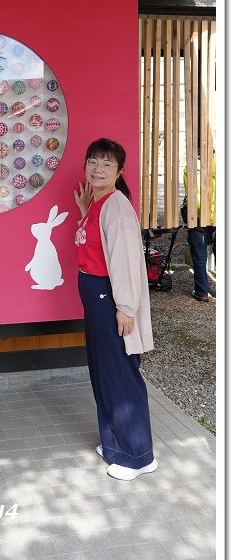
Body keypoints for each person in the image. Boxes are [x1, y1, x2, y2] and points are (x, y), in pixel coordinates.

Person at [73, 138, 157, 481]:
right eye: (93, 161)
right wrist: (84, 210)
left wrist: (125, 307)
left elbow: (121, 261)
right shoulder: (99, 203)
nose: (97, 168)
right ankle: (115, 444)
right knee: (103, 369)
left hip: (110, 297)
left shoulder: (117, 207)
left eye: (106, 164)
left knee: (119, 372)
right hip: (96, 297)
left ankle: (138, 455)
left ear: (119, 171)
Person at [183, 153, 216, 302]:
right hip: (218, 216)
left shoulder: (190, 168)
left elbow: (189, 190)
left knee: (199, 256)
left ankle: (202, 292)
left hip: (196, 216)